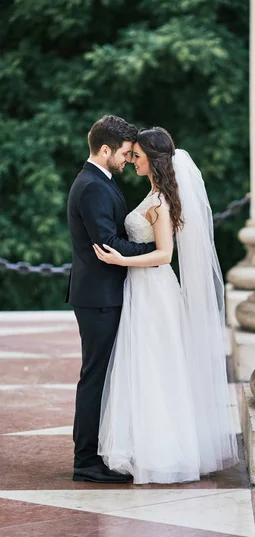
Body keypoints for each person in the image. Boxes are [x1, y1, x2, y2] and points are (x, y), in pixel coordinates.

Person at [93, 126, 238, 484]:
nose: (132, 159)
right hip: (141, 289)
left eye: (137, 155)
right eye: (131, 154)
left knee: (156, 365)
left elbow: (164, 255)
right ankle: (144, 445)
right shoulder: (153, 195)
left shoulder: (160, 203)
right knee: (143, 364)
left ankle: (164, 451)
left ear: (153, 160)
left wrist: (120, 261)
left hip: (154, 290)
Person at [66, 115, 156, 483]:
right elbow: (107, 243)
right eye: (122, 153)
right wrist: (156, 250)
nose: (126, 160)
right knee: (95, 377)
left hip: (101, 292)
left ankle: (95, 451)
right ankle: (85, 460)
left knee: (101, 374)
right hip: (99, 296)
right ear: (104, 150)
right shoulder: (93, 187)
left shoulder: (98, 181)